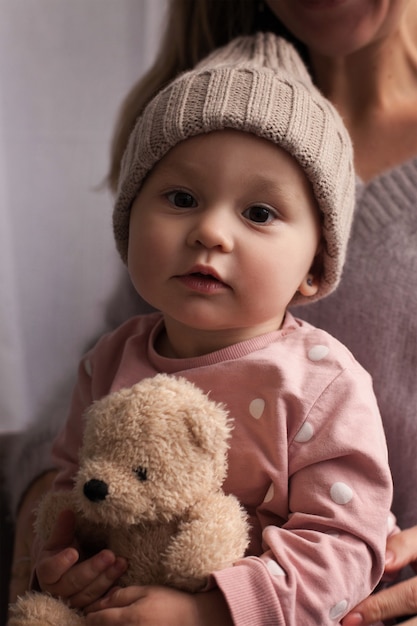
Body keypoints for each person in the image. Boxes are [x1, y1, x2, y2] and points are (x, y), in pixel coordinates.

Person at [7, 0, 417, 623]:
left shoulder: (322, 383)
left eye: (259, 213)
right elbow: (70, 480)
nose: (210, 233)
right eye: (180, 197)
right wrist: (58, 552)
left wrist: (207, 614)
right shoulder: (113, 358)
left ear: (316, 267)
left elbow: (343, 540)